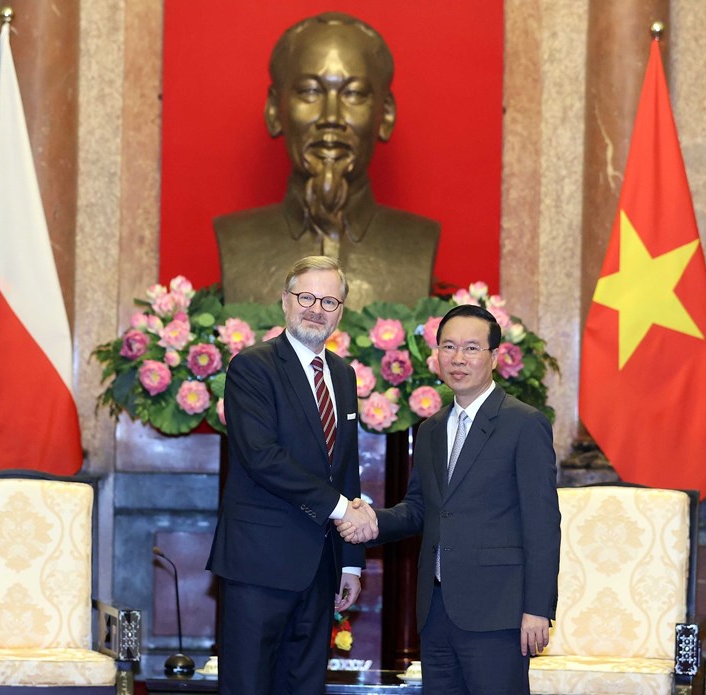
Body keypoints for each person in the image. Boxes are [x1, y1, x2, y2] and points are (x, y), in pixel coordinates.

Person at [338, 304, 561, 694]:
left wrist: (537, 609)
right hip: (436, 611)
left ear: (494, 357)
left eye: (472, 348)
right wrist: (370, 521)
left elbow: (542, 524)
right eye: (449, 346)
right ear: (436, 354)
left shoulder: (523, 423)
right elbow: (420, 509)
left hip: (498, 612)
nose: (458, 358)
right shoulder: (431, 429)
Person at [206, 255, 379, 695]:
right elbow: (262, 457)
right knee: (249, 686)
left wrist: (351, 562)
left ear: (340, 312)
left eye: (329, 301)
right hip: (257, 566)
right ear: (285, 300)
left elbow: (345, 468)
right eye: (306, 297)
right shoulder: (253, 367)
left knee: (305, 686)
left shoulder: (343, 375)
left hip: (320, 568)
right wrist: (342, 510)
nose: (316, 309)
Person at [214, 12, 440, 311]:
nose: (331, 117)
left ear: (385, 114)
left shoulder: (419, 241)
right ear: (274, 110)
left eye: (354, 94)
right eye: (310, 91)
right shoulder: (237, 239)